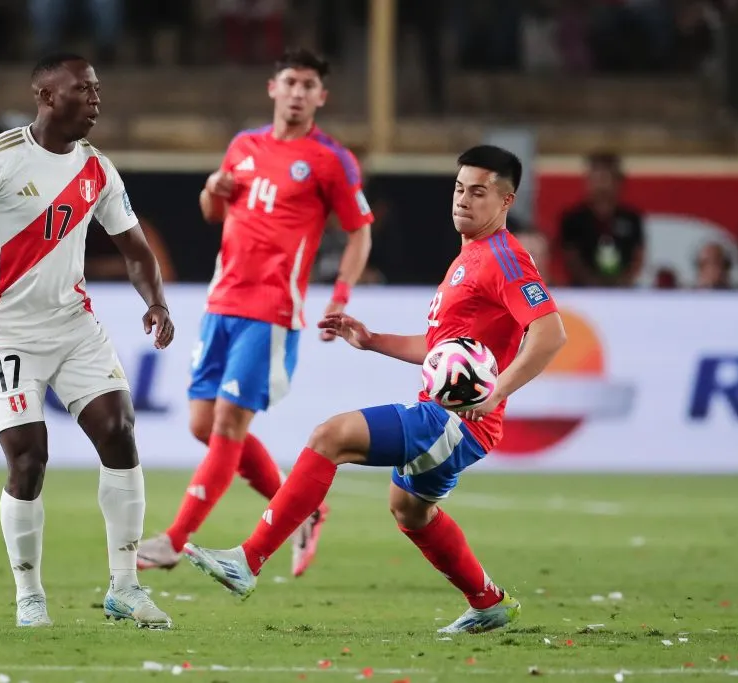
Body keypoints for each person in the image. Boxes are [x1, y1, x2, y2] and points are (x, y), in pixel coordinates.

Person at [183, 145, 568, 635]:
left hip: (454, 421)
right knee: (410, 511)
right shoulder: (471, 255)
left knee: (330, 436)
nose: (463, 201)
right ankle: (488, 602)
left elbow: (550, 332)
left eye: (478, 192)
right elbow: (438, 349)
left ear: (506, 200)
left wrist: (494, 394)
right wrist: (371, 341)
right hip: (457, 421)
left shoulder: (505, 259)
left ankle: (248, 559)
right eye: (458, 189)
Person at [0, 53, 175, 630]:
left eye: (98, 90)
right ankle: (30, 595)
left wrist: (156, 303)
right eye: (84, 90)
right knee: (29, 460)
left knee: (120, 432)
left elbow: (136, 251)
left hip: (74, 326)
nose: (96, 100)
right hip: (8, 333)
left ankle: (125, 588)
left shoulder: (98, 169)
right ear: (46, 96)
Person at [136, 48, 374, 579]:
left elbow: (360, 231)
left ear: (321, 96)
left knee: (227, 422)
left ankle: (174, 539)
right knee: (205, 425)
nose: (297, 92)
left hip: (271, 310)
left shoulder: (331, 159)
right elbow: (212, 211)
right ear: (273, 88)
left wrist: (340, 294)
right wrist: (210, 189)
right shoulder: (243, 146)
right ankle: (306, 507)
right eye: (290, 81)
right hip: (222, 301)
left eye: (308, 84)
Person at [559, 153, 645, 288]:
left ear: (618, 181)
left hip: (625, 291)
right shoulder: (573, 218)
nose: (601, 185)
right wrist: (593, 284)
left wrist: (622, 283)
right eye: (595, 178)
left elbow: (638, 256)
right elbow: (570, 258)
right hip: (582, 291)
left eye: (605, 178)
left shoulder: (631, 217)